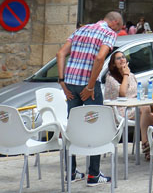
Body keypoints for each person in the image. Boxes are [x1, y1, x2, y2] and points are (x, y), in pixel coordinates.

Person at [55, 10, 124, 186]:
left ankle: (71, 172)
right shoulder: (108, 33)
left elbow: (60, 54)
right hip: (88, 85)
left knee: (73, 125)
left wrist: (62, 80)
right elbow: (100, 57)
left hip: (70, 83)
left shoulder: (81, 29)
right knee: (96, 126)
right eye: (119, 28)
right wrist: (91, 86)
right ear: (115, 23)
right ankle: (93, 174)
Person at [103, 51, 153, 159]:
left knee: (151, 115)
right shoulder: (110, 78)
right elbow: (122, 93)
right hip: (120, 110)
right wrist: (126, 74)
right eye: (118, 58)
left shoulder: (132, 75)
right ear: (113, 64)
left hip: (134, 107)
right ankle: (146, 143)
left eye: (123, 57)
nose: (122, 59)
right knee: (147, 110)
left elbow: (137, 94)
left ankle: (149, 148)